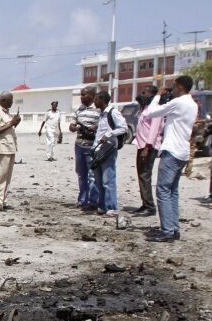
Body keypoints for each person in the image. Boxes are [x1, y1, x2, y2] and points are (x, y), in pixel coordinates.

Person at [144, 75, 197, 242]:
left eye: (174, 87)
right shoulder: (192, 104)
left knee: (163, 191)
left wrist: (157, 96)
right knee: (172, 191)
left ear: (180, 87)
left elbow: (151, 112)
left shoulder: (178, 102)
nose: (172, 90)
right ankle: (173, 228)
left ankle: (167, 230)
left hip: (172, 150)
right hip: (182, 151)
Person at [92, 90, 127, 220]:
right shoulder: (101, 114)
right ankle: (102, 206)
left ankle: (112, 207)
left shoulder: (113, 112)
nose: (94, 101)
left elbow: (123, 128)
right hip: (98, 150)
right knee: (98, 180)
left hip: (108, 149)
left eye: (96, 99)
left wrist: (109, 134)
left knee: (108, 179)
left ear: (102, 100)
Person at [133, 85, 164, 217]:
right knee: (141, 175)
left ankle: (150, 207)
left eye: (144, 92)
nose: (142, 94)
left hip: (148, 147)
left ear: (152, 95)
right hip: (141, 146)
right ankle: (145, 204)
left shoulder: (156, 109)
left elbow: (154, 130)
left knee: (145, 175)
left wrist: (147, 147)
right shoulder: (146, 108)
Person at [69, 85, 100, 212]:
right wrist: (76, 127)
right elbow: (71, 126)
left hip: (92, 147)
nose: (81, 97)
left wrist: (93, 128)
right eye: (81, 95)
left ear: (92, 96)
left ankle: (93, 202)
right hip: (79, 146)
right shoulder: (78, 110)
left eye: (84, 95)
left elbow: (103, 126)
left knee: (92, 175)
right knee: (81, 174)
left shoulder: (98, 110)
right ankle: (82, 200)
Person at [0, 92, 21, 211]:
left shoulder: (7, 113)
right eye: (10, 100)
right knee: (0, 177)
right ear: (3, 100)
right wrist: (11, 123)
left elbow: (9, 128)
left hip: (10, 147)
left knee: (7, 178)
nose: (12, 103)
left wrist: (15, 122)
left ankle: (3, 201)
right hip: (1, 149)